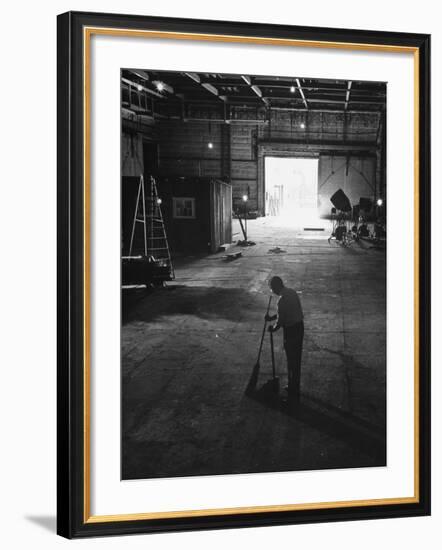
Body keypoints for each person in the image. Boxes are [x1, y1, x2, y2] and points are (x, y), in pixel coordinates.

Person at [265, 276, 304, 406]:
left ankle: (293, 393)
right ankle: (294, 386)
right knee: (296, 359)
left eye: (272, 289)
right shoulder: (292, 292)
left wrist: (273, 328)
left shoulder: (281, 301)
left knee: (291, 360)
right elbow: (286, 312)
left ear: (276, 287)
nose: (272, 291)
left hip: (291, 331)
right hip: (299, 328)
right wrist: (272, 317)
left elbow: (280, 322)